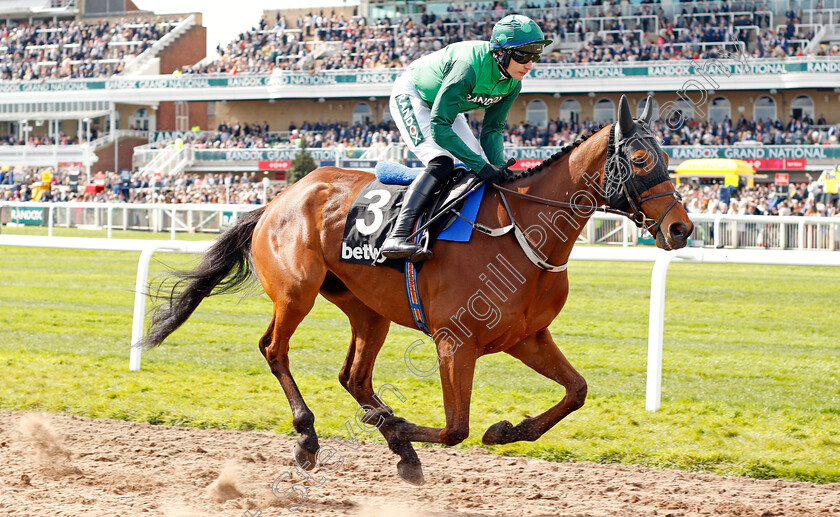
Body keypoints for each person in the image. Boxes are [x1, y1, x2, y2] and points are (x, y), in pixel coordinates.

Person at [381, 14, 552, 261]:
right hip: (414, 95)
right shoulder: (467, 67)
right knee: (442, 162)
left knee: (478, 169)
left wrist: (497, 167)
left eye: (535, 56)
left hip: (448, 106)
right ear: (500, 53)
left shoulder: (513, 83)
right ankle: (398, 235)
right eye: (523, 56)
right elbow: (440, 127)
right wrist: (482, 166)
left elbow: (492, 129)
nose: (530, 64)